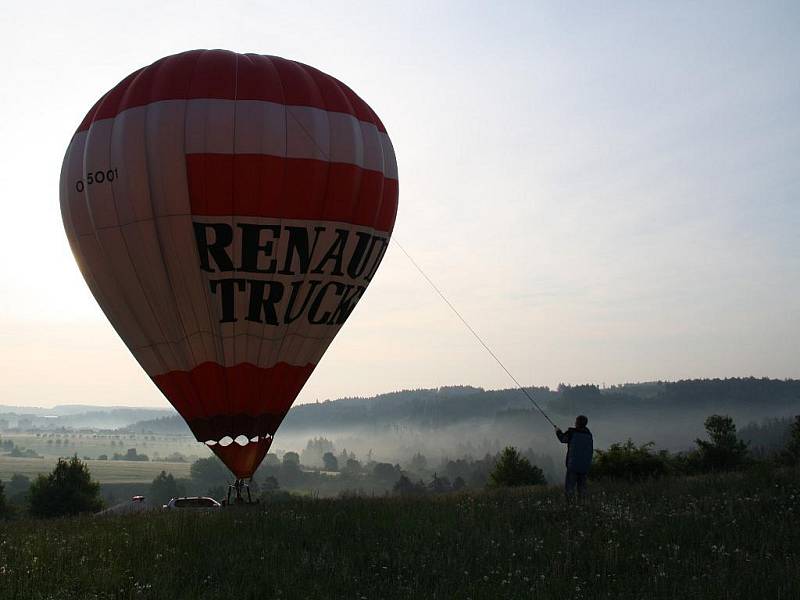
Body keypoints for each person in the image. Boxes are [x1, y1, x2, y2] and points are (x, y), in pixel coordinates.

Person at [555, 415, 593, 501]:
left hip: (573, 465)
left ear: (578, 423)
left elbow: (563, 439)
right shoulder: (589, 434)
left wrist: (558, 431)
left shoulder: (572, 432)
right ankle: (582, 505)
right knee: (582, 489)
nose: (575, 423)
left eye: (576, 421)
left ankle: (570, 506)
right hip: (585, 465)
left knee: (570, 488)